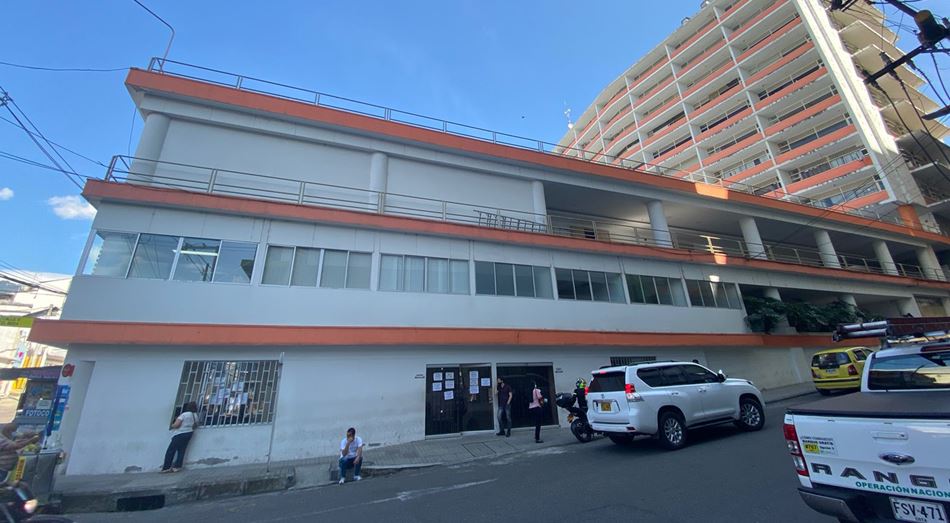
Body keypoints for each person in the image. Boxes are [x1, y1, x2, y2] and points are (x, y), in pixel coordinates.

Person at [162, 401, 198, 473]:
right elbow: (196, 425)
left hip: (180, 433)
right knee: (182, 450)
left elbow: (176, 425)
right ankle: (177, 467)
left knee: (171, 450)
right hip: (189, 433)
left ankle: (166, 467)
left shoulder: (184, 414)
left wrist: (172, 425)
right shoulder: (195, 415)